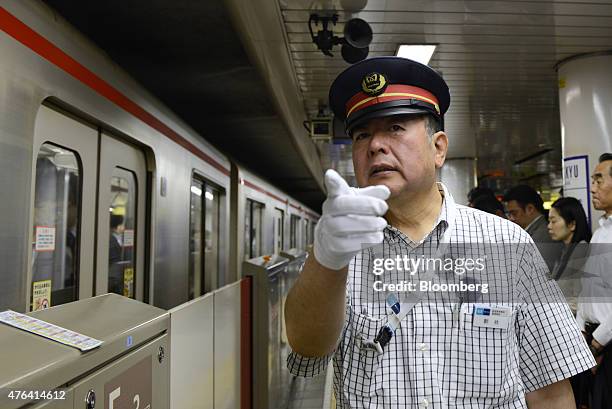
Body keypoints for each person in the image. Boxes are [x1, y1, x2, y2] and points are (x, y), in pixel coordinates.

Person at [284, 56, 594, 408]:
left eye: (396, 128)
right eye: (362, 134)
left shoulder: (508, 243)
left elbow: (550, 389)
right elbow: (306, 349)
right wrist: (327, 260)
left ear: (439, 148)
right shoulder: (338, 251)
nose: (375, 145)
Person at [576, 153, 612, 409]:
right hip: (593, 339)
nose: (593, 187)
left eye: (599, 180)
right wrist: (581, 330)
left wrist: (598, 341)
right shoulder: (600, 232)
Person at [546, 197, 591, 312]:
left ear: (572, 224)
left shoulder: (581, 251)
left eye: (554, 221)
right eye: (549, 221)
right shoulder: (564, 251)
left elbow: (578, 300)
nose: (549, 226)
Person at [504, 185, 560, 270]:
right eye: (509, 214)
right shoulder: (532, 233)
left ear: (530, 209)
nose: (511, 218)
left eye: (514, 213)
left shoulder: (542, 236)